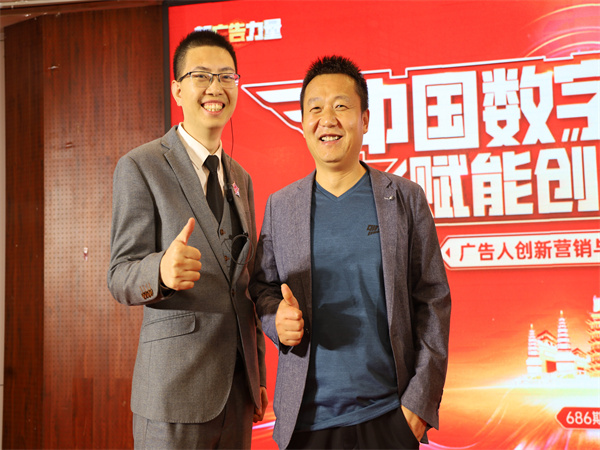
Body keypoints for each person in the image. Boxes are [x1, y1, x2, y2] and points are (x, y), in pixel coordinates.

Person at [250, 55, 451, 449]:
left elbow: (433, 300)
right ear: (302, 123)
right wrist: (276, 320)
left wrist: (419, 404)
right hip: (306, 424)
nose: (328, 119)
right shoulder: (281, 206)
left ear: (365, 119)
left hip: (389, 417)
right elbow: (261, 288)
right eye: (315, 109)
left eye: (341, 106)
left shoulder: (405, 198)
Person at [108, 30, 267, 449]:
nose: (216, 88)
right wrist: (160, 271)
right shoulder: (141, 165)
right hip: (173, 392)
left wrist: (258, 375)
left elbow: (245, 285)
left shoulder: (241, 178)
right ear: (178, 90)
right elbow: (120, 275)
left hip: (237, 392)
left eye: (226, 77)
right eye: (201, 76)